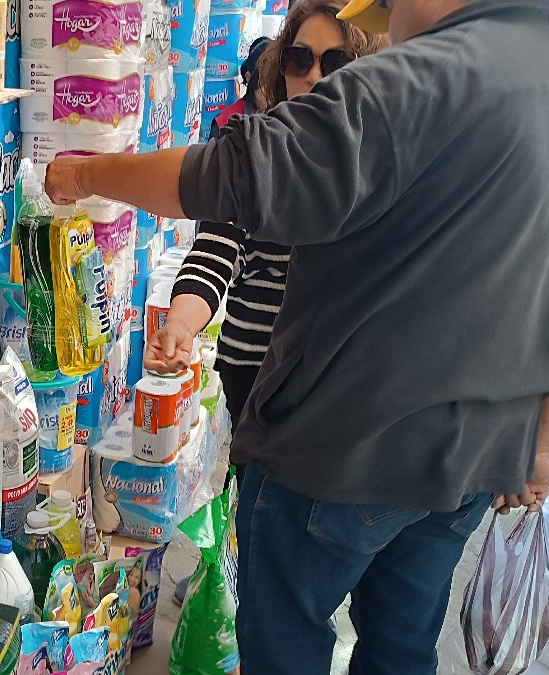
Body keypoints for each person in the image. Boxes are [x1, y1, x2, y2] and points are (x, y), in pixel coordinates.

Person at [43, 0, 549, 668]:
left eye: (336, 58)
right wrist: (535, 440)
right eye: (300, 59)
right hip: (466, 468)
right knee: (401, 646)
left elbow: (225, 177)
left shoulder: (416, 82)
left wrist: (84, 173)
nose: (394, 21)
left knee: (287, 645)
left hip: (343, 454)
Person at [162, 0, 388, 607]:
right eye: (298, 58)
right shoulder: (256, 152)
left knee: (301, 574)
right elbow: (215, 249)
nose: (313, 75)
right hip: (252, 383)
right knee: (259, 543)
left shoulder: (385, 163)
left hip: (332, 401)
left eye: (336, 60)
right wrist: (182, 322)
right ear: (278, 68)